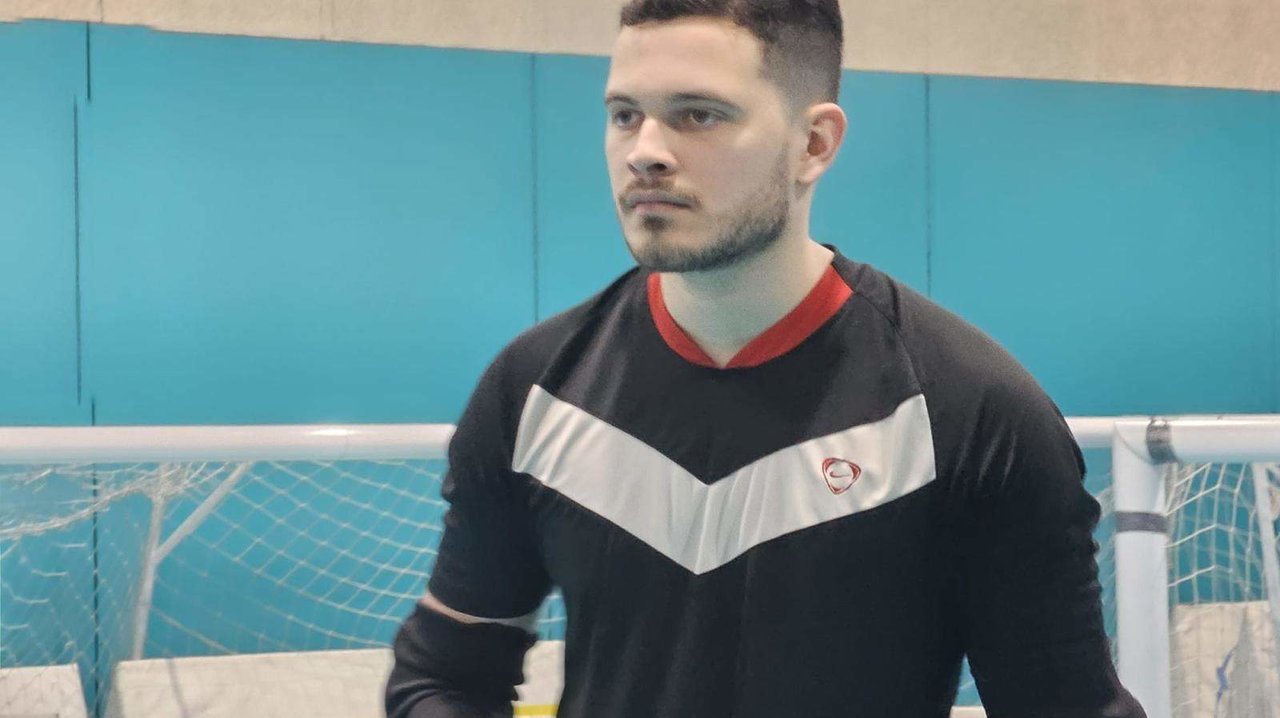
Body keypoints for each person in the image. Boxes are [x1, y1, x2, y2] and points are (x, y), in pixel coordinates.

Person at [386, 1, 1146, 716]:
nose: (645, 152)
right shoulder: (536, 389)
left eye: (698, 115)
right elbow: (442, 676)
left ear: (813, 144)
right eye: (625, 116)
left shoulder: (973, 411)